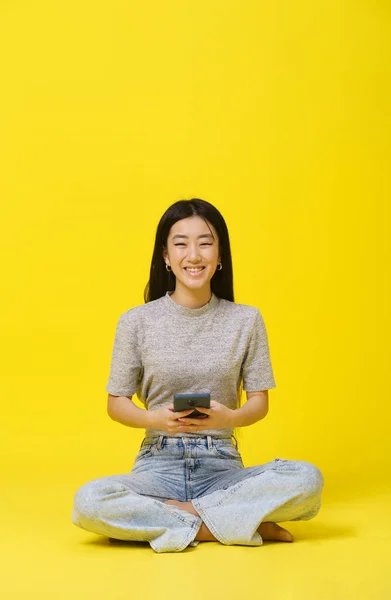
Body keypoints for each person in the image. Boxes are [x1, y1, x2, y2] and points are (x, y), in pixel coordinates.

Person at [72, 198, 324, 553]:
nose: (194, 255)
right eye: (181, 243)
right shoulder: (136, 321)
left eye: (205, 242)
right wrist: (153, 418)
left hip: (222, 466)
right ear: (165, 256)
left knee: (308, 479)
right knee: (89, 501)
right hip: (158, 464)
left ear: (220, 255)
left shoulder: (246, 320)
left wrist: (230, 417)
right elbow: (116, 404)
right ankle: (234, 522)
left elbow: (259, 403)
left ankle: (171, 520)